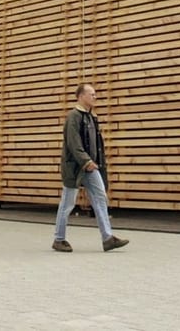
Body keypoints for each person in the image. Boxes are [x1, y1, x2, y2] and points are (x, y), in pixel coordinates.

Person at [52, 83, 129, 252]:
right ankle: (59, 239)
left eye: (95, 94)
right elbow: (73, 142)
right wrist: (86, 161)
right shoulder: (74, 116)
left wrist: (95, 164)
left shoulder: (91, 116)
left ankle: (108, 238)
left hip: (90, 166)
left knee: (100, 197)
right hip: (76, 167)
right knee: (68, 203)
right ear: (81, 96)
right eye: (91, 94)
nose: (95, 97)